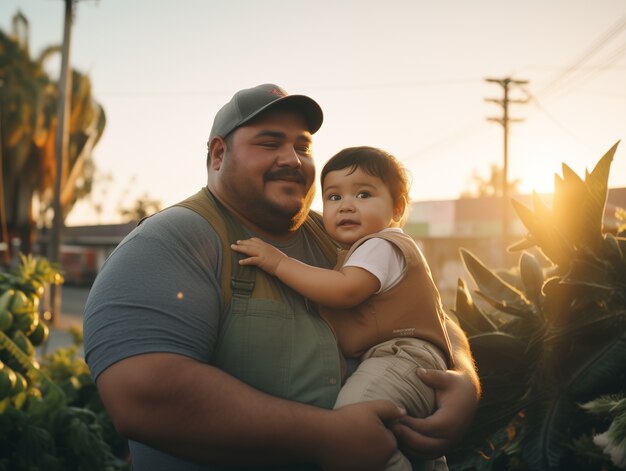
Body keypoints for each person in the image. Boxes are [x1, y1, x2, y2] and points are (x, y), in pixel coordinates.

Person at [83, 83, 481, 471]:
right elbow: (142, 393)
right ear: (219, 154)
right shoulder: (172, 240)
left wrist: (462, 380)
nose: (292, 159)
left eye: (302, 146)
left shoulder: (341, 237)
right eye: (270, 143)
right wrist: (329, 437)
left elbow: (425, 314)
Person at [231, 146, 453, 471]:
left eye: (364, 194)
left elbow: (345, 290)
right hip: (404, 361)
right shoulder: (361, 249)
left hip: (402, 357)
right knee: (414, 446)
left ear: (397, 207)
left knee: (354, 425)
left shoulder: (380, 245)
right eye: (333, 197)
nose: (346, 205)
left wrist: (280, 264)